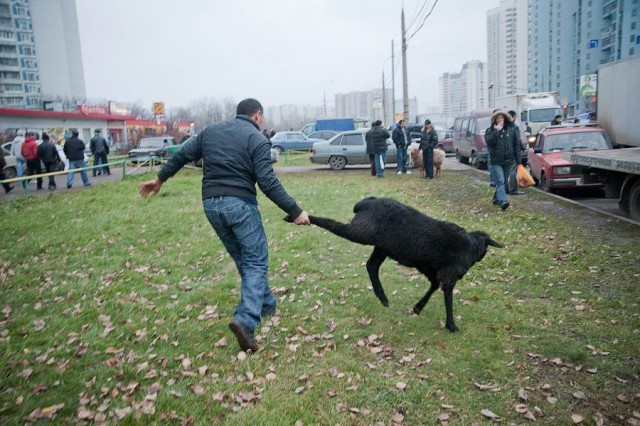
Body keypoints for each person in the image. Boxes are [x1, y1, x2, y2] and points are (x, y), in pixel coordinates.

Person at [138, 98, 310, 353]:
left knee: (244, 259)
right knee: (255, 261)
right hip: (240, 204)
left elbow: (183, 154)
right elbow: (267, 182)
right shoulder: (257, 139)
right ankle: (246, 319)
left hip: (211, 205)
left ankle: (266, 304)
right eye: (262, 118)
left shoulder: (211, 132)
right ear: (257, 115)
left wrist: (159, 178)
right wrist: (296, 211)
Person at [485, 111, 521, 211]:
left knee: (504, 181)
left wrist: (519, 161)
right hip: (496, 161)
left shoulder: (511, 130)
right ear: (495, 120)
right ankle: (503, 201)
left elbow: (516, 145)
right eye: (498, 118)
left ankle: (496, 198)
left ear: (505, 119)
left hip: (508, 160)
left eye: (502, 118)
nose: (500, 120)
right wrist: (497, 131)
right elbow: (489, 142)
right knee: (500, 180)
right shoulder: (490, 130)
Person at [507, 110, 525, 196]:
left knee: (505, 171)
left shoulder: (503, 125)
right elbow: (517, 142)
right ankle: (513, 189)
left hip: (504, 152)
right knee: (513, 171)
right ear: (514, 117)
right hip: (512, 152)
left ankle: (505, 189)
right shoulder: (514, 127)